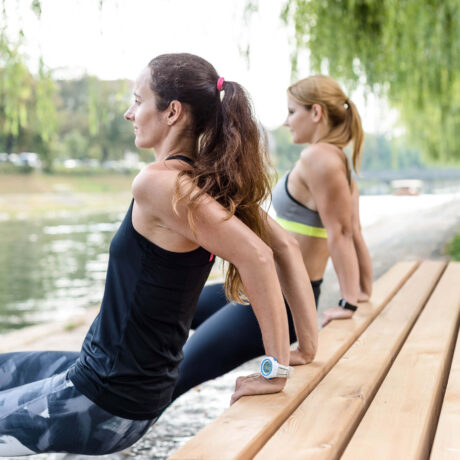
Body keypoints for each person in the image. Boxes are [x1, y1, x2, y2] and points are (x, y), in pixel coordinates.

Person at [0, 53, 317, 456]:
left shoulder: (158, 184)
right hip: (111, 382)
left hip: (107, 402)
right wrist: (305, 346)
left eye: (137, 100)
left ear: (172, 112)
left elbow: (257, 256)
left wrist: (275, 370)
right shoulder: (207, 184)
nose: (128, 112)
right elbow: (285, 247)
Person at [172, 74, 372, 402]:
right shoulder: (334, 159)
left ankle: (114, 421)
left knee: (180, 374)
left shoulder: (319, 158)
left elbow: (344, 233)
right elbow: (355, 231)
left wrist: (349, 302)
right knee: (175, 308)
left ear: (317, 113)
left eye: (292, 112)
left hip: (280, 299)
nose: (286, 121)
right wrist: (363, 290)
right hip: (262, 288)